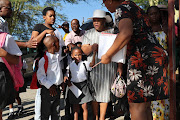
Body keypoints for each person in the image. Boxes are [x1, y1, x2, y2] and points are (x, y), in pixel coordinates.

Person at [101, 0, 169, 120]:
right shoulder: (134, 6)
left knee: (136, 106)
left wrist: (107, 55)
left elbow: (126, 33)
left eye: (104, 2)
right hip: (154, 57)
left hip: (142, 58)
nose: (105, 5)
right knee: (145, 105)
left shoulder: (121, 9)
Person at [81, 9, 117, 120]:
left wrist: (120, 67)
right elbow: (84, 50)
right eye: (94, 20)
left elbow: (120, 51)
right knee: (95, 94)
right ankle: (96, 117)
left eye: (98, 20)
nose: (96, 22)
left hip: (108, 69)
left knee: (105, 94)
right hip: (93, 69)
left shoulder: (112, 33)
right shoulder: (89, 33)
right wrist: (92, 48)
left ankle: (101, 118)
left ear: (104, 21)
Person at [30, 7, 64, 120]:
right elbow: (33, 42)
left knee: (55, 101)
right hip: (42, 61)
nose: (53, 18)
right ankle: (38, 117)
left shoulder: (56, 32)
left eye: (54, 16)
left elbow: (60, 48)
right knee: (42, 92)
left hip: (54, 61)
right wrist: (45, 32)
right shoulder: (39, 27)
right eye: (50, 16)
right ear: (44, 17)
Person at [0, 0, 22, 120]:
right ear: (1, 9)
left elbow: (8, 41)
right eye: (9, 8)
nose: (11, 11)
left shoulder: (4, 25)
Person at [147, 6, 169, 120]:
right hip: (150, 68)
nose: (154, 16)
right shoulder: (146, 31)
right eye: (151, 14)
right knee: (152, 95)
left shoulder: (165, 28)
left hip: (164, 67)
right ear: (148, 16)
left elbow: (170, 48)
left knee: (164, 95)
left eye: (156, 13)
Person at [37, 36, 63, 120]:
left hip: (57, 89)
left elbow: (58, 72)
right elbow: (40, 77)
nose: (60, 45)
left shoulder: (57, 56)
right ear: (53, 44)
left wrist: (61, 81)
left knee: (56, 112)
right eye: (58, 43)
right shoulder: (44, 59)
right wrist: (50, 85)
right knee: (46, 113)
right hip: (48, 91)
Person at [64, 46, 93, 120]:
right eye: (75, 55)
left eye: (79, 54)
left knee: (85, 106)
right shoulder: (70, 65)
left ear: (82, 54)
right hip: (74, 87)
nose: (77, 56)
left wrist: (95, 54)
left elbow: (91, 66)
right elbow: (67, 75)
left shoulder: (85, 63)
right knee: (75, 108)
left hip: (84, 86)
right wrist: (66, 79)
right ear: (72, 55)